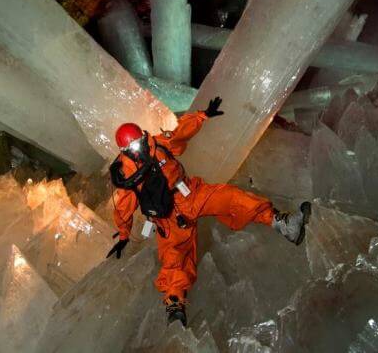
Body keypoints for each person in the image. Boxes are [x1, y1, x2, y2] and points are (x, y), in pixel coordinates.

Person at [106, 97, 311, 327]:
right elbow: (123, 207)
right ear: (125, 149)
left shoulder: (157, 144)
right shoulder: (126, 175)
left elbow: (180, 133)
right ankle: (175, 304)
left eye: (140, 140)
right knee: (175, 259)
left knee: (233, 197)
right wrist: (124, 235)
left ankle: (282, 223)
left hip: (190, 193)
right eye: (134, 145)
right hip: (168, 218)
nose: (140, 146)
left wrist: (202, 116)